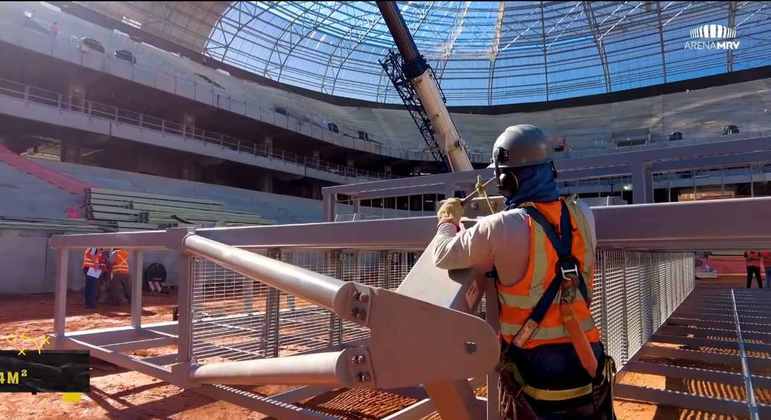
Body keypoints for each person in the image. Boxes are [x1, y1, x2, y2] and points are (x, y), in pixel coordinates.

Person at [431, 124, 614, 419]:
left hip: (532, 366)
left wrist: (447, 220)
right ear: (550, 170)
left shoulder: (502, 226)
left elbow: (443, 254)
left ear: (508, 180)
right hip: (587, 357)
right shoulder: (585, 214)